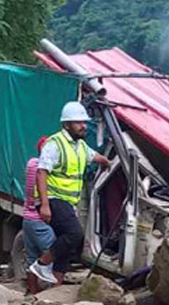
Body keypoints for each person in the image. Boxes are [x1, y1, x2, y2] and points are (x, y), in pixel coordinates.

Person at [33, 101, 111, 283]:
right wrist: (44, 205)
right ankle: (41, 264)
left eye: (84, 122)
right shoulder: (55, 144)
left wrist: (107, 162)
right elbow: (41, 172)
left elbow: (95, 157)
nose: (83, 126)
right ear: (66, 125)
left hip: (68, 202)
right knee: (74, 234)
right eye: (78, 123)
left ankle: (56, 284)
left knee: (69, 243)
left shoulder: (80, 146)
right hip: (53, 199)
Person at [24, 136, 56, 294]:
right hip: (40, 220)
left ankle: (32, 291)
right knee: (51, 255)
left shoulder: (31, 164)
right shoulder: (42, 171)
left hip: (27, 218)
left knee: (31, 257)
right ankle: (52, 294)